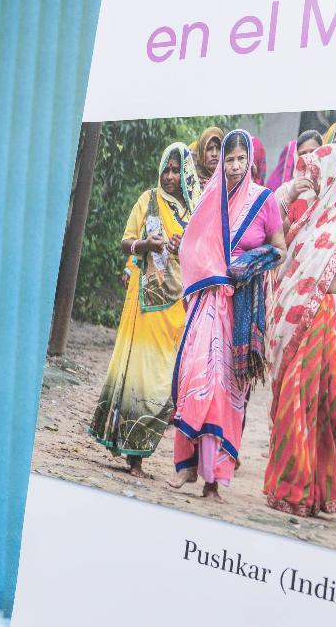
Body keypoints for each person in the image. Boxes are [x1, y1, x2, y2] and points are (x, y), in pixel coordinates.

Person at [168, 130, 284, 502]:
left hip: (243, 308)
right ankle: (186, 465)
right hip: (207, 304)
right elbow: (194, 245)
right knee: (199, 379)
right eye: (228, 159)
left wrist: (247, 263)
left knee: (229, 392)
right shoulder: (210, 198)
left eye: (239, 159)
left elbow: (279, 249)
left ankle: (213, 479)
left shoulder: (263, 200)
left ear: (249, 160)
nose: (233, 166)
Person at [263, 145, 336, 517]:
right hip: (305, 320)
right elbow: (267, 236)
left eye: (317, 173)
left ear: (335, 175)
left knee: (335, 410)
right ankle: (292, 487)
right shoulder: (304, 218)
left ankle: (321, 486)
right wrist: (288, 191)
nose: (312, 181)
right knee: (298, 399)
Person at [89, 143, 199, 477]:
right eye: (166, 168)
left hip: (179, 305)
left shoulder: (195, 210)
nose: (169, 176)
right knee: (142, 372)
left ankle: (141, 445)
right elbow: (125, 241)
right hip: (146, 302)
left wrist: (186, 246)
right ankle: (134, 455)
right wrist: (145, 246)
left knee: (167, 378)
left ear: (186, 174)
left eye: (176, 170)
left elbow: (203, 254)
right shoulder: (148, 199)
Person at [190, 126, 224, 190]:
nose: (214, 154)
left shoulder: (230, 180)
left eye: (219, 148)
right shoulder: (190, 183)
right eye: (209, 149)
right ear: (201, 152)